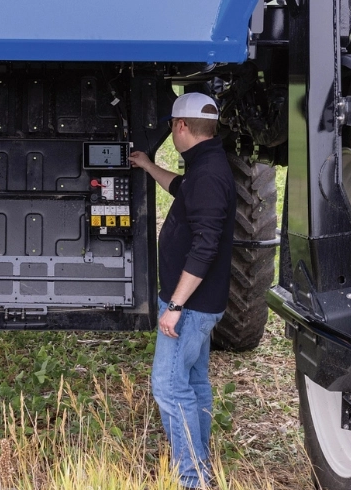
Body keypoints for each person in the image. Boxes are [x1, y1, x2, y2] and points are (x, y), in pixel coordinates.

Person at [129, 92, 236, 490]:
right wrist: (148, 165)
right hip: (201, 303)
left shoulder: (208, 175)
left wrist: (174, 304)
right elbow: (182, 188)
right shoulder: (206, 164)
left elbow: (206, 244)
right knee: (193, 382)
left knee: (169, 387)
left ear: (180, 127)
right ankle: (201, 465)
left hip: (189, 305)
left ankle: (191, 479)